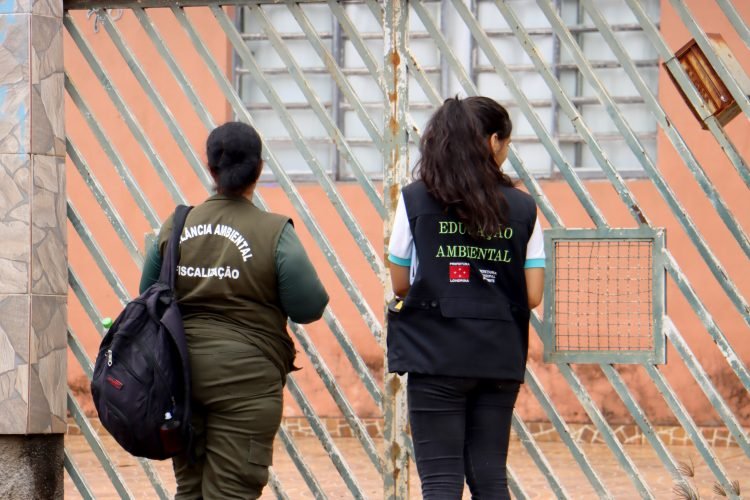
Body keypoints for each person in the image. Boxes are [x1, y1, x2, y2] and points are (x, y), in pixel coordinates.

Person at [139, 121, 329, 499]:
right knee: (231, 493)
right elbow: (309, 306)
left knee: (190, 491)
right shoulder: (274, 232)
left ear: (211, 168)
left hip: (180, 376)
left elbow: (148, 295)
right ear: (259, 168)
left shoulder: (176, 226)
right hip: (246, 384)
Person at [386, 96, 545, 499]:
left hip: (435, 354)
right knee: (490, 480)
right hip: (498, 356)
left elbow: (400, 282)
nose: (506, 151)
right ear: (493, 141)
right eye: (507, 143)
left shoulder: (414, 200)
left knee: (441, 481)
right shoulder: (524, 208)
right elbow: (532, 294)